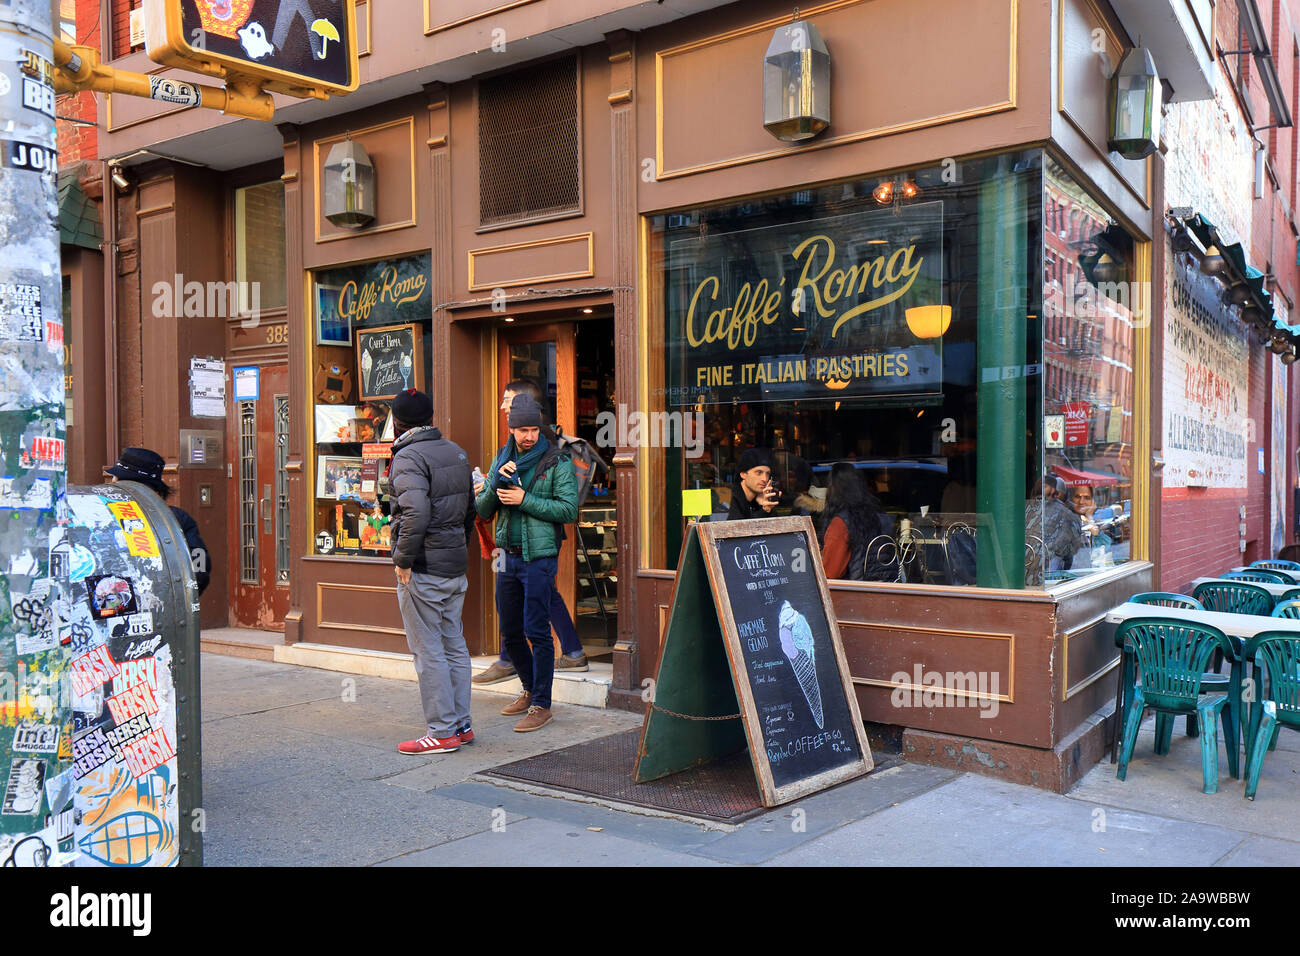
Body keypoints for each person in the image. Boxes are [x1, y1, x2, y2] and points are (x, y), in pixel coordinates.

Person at [472, 378, 589, 686]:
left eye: (508, 401)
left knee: (536, 628)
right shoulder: (502, 456)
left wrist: (524, 500)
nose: (528, 435)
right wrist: (495, 480)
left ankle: (539, 698)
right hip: (507, 554)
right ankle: (532, 669)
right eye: (522, 429)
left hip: (539, 550)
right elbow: (482, 511)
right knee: (513, 624)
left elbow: (567, 510)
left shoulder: (555, 458)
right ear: (512, 428)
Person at [387, 388, 477, 755]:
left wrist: (403, 560)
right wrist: (458, 546)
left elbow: (416, 514)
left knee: (429, 651)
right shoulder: (454, 451)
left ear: (397, 421)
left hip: (424, 567)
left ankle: (441, 732)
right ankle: (461, 725)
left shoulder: (408, 456)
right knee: (453, 644)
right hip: (453, 565)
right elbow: (471, 509)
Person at [106, 447, 210, 595]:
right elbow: (199, 570)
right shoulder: (176, 518)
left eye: (116, 478)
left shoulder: (102, 516)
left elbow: (199, 567)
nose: (112, 481)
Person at [819, 462, 893, 581]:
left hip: (858, 593)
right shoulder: (881, 516)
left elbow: (831, 572)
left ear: (834, 488)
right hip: (888, 588)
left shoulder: (841, 523)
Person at [727, 447, 779, 519]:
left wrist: (765, 507)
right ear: (743, 474)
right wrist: (764, 511)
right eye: (759, 472)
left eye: (767, 473)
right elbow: (737, 528)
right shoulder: (730, 498)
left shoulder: (760, 498)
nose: (764, 479)